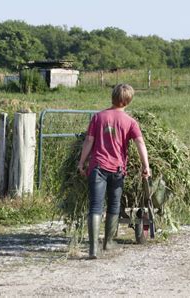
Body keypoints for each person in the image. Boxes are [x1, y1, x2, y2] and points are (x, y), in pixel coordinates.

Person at [78, 83, 150, 259]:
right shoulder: (130, 122)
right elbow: (140, 143)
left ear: (112, 97)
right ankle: (108, 243)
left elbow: (88, 141)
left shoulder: (98, 117)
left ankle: (93, 249)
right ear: (128, 101)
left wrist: (81, 162)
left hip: (97, 168)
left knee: (95, 206)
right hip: (117, 170)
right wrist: (145, 165)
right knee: (114, 205)